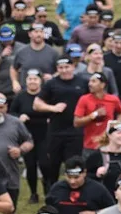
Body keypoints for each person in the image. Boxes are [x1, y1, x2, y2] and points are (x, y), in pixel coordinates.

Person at [34, 55, 90, 187]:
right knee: (52, 166)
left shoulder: (82, 82)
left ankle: (74, 192)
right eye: (61, 68)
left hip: (76, 131)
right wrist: (52, 108)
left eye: (67, 67)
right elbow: (36, 104)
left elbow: (91, 100)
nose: (64, 70)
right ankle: (51, 194)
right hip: (55, 132)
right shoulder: (51, 84)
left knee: (73, 165)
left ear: (73, 67)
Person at [46, 156, 115, 214]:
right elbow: (48, 210)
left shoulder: (97, 189)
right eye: (69, 177)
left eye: (76, 177)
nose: (72, 181)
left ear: (84, 173)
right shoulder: (56, 189)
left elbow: (113, 210)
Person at [11, 69, 50, 203]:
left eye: (35, 79)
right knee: (31, 165)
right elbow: (11, 113)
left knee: (45, 165)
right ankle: (34, 193)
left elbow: (54, 110)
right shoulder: (21, 96)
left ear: (40, 81)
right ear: (26, 81)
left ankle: (48, 191)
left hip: (44, 135)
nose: (32, 82)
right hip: (27, 136)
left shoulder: (46, 95)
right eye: (30, 79)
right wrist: (19, 117)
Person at [73, 73, 121, 155]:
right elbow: (76, 122)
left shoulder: (113, 99)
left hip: (109, 145)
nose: (90, 84)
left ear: (102, 85)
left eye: (94, 81)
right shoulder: (84, 99)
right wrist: (95, 114)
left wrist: (115, 124)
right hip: (90, 145)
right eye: (89, 81)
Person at [13, 22, 59, 89]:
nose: (39, 34)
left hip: (46, 92)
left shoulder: (53, 53)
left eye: (41, 32)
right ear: (29, 34)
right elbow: (13, 68)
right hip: (25, 92)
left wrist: (53, 77)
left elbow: (60, 70)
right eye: (36, 32)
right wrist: (15, 81)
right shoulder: (21, 52)